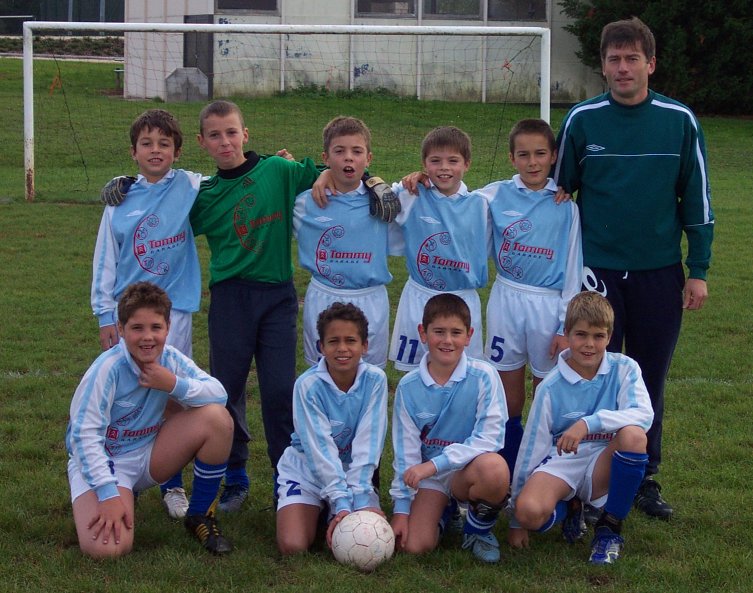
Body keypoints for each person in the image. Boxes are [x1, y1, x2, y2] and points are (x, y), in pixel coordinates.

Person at [553, 16, 714, 519]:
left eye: (632, 59)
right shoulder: (582, 120)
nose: (623, 68)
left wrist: (698, 268)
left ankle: (643, 477)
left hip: (658, 271)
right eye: (614, 59)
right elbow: (554, 191)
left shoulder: (679, 120)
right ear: (602, 66)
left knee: (647, 377)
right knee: (589, 371)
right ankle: (582, 479)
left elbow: (697, 200)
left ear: (651, 63)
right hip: (596, 272)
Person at [190, 99, 324, 513]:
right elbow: (160, 200)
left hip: (277, 298)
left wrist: (372, 180)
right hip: (230, 299)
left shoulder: (277, 170)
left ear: (245, 134)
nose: (225, 141)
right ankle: (235, 475)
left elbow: (336, 170)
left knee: (280, 391)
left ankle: (287, 479)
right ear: (202, 142)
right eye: (215, 135)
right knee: (225, 390)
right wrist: (126, 184)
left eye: (231, 132)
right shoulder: (204, 196)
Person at [66, 282, 234, 558]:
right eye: (137, 328)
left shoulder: (171, 359)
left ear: (168, 328)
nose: (147, 337)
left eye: (156, 327)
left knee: (217, 419)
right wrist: (107, 493)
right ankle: (115, 493)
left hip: (149, 455)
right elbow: (83, 436)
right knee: (108, 550)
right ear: (121, 329)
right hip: (107, 462)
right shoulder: (107, 369)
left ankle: (200, 515)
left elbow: (219, 394)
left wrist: (174, 384)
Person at [91, 108, 204, 519]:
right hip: (129, 319)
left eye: (164, 143)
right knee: (124, 396)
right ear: (133, 151)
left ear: (177, 151)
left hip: (175, 314)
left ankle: (171, 483)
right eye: (147, 143)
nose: (156, 150)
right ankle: (120, 475)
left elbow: (234, 179)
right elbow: (105, 261)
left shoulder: (191, 185)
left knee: (171, 392)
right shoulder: (119, 201)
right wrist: (106, 316)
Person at [508, 291, 653, 565]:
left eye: (598, 336)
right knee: (529, 512)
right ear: (567, 334)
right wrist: (517, 519)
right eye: (581, 335)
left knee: (633, 436)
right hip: (562, 461)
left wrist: (588, 423)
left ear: (609, 337)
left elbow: (644, 414)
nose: (589, 344)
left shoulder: (625, 368)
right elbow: (531, 447)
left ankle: (609, 529)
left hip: (604, 461)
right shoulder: (550, 387)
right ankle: (569, 507)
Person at [473, 118, 582, 478]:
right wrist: (417, 181)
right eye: (523, 155)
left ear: (553, 156)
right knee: (506, 389)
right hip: (506, 298)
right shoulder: (494, 195)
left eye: (540, 154)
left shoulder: (565, 205)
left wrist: (565, 325)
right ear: (512, 158)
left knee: (546, 389)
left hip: (547, 305)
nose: (532, 162)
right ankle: (508, 466)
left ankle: (543, 468)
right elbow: (453, 198)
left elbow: (572, 267)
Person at [390, 293, 510, 563]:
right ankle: (446, 513)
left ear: (469, 336)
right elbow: (405, 453)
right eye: (439, 332)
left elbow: (490, 438)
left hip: (468, 470)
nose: (447, 340)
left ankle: (478, 530)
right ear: (423, 333)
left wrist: (435, 465)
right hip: (430, 478)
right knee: (414, 545)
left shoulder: (484, 376)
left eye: (456, 333)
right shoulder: (409, 387)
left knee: (495, 469)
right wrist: (401, 509)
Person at [275, 302, 388, 554]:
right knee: (293, 546)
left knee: (369, 543)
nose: (342, 348)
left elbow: (369, 442)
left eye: (351, 340)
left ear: (365, 346)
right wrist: (340, 502)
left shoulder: (375, 380)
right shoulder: (307, 385)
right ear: (321, 347)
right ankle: (314, 504)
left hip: (353, 474)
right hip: (306, 469)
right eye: (333, 341)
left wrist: (359, 496)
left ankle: (330, 508)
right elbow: (319, 449)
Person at [293, 116, 392, 368]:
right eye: (339, 151)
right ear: (325, 158)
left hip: (370, 299)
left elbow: (424, 184)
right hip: (323, 296)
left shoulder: (385, 200)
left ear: (368, 158)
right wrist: (321, 174)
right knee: (322, 374)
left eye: (357, 151)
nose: (348, 158)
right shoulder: (305, 202)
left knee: (370, 375)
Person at [389, 126, 490, 371]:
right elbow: (372, 196)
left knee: (464, 373)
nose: (444, 167)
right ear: (425, 164)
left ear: (467, 163)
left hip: (462, 300)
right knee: (413, 373)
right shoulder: (411, 195)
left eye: (453, 161)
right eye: (435, 161)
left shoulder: (483, 204)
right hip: (419, 297)